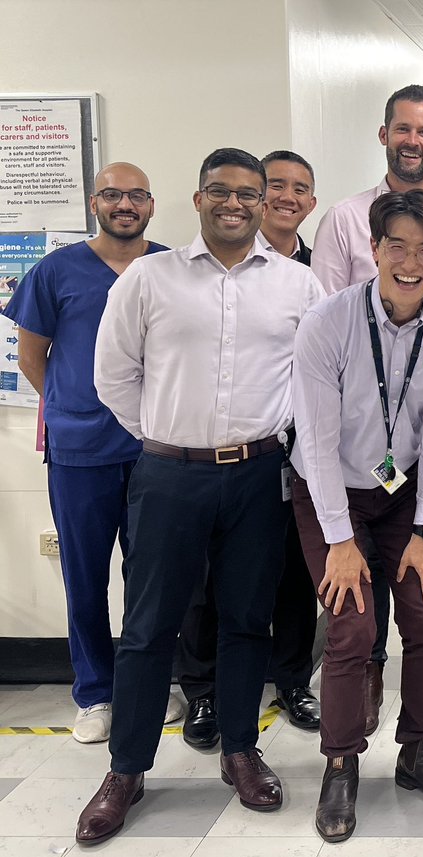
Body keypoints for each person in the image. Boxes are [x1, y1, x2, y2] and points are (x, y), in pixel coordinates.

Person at [78, 148, 324, 845]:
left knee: (249, 619)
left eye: (250, 193)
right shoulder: (150, 279)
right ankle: (126, 768)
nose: (236, 203)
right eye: (222, 191)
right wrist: (167, 437)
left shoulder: (297, 287)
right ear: (198, 198)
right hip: (168, 474)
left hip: (258, 473)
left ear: (263, 201)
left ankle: (241, 749)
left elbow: (311, 382)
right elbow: (113, 376)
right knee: (150, 625)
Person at [291, 190, 423, 842]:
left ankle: (417, 750)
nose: (409, 259)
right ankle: (341, 761)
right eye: (395, 244)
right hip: (330, 489)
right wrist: (341, 540)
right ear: (372, 249)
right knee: (351, 622)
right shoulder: (328, 322)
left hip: (402, 494)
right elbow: (313, 440)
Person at [311, 84, 423, 729]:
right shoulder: (343, 221)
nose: (413, 140)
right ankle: (364, 692)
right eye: (402, 129)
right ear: (384, 135)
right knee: (355, 601)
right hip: (349, 427)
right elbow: (326, 318)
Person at [1, 162, 182, 743]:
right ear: (93, 201)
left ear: (151, 205)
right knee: (83, 575)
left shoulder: (173, 267)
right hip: (81, 451)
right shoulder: (56, 271)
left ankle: (152, 683)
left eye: (135, 195)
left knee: (153, 573)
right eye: (112, 194)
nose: (123, 204)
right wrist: (72, 405)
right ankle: (94, 694)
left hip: (157, 446)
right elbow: (33, 355)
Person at [177, 149, 324, 745]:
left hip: (292, 452)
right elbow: (121, 377)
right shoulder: (185, 271)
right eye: (279, 186)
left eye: (300, 189)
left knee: (293, 571)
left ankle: (291, 679)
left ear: (310, 202)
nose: (288, 198)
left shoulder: (314, 274)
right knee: (204, 578)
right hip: (206, 454)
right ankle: (204, 693)